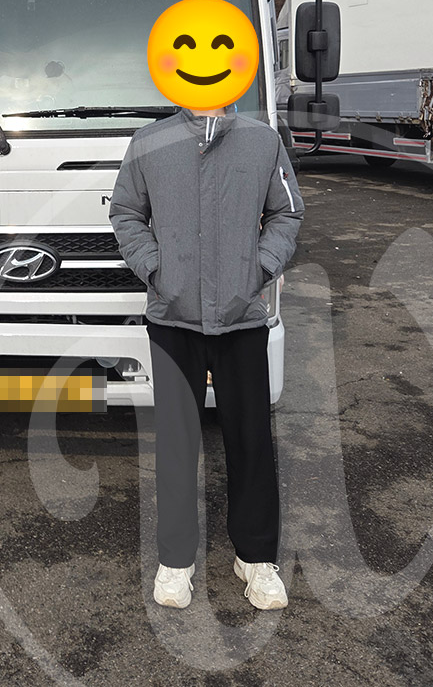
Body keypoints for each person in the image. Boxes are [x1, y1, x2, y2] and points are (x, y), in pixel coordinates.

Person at [109, 100, 304, 610]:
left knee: (250, 439)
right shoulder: (149, 142)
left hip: (241, 319)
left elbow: (287, 212)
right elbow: (126, 212)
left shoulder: (262, 141)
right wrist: (157, 271)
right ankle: (176, 560)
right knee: (177, 442)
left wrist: (259, 268)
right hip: (173, 319)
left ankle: (256, 558)